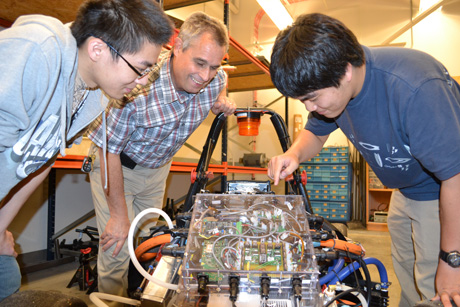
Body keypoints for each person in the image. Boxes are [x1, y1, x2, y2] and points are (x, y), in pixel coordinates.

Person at [267, 13, 460, 307]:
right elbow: (316, 133)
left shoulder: (415, 87)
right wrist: (293, 154)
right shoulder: (336, 88)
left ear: (345, 71)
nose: (310, 107)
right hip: (405, 193)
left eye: (313, 97)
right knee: (408, 286)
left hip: (441, 195)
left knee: (438, 290)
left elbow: (456, 176)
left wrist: (452, 260)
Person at [0, 0, 174, 301]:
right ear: (98, 50)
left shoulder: (94, 96)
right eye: (141, 69)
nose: (144, 81)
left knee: (6, 277)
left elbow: (38, 163)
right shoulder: (37, 49)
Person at [87, 11, 236, 300]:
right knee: (117, 246)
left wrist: (220, 101)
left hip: (157, 170)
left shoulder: (214, 82)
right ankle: (109, 300)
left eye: (214, 66)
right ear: (178, 46)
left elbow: (220, 82)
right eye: (199, 63)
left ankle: (138, 297)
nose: (205, 76)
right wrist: (118, 216)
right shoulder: (137, 85)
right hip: (117, 165)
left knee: (149, 244)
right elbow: (108, 150)